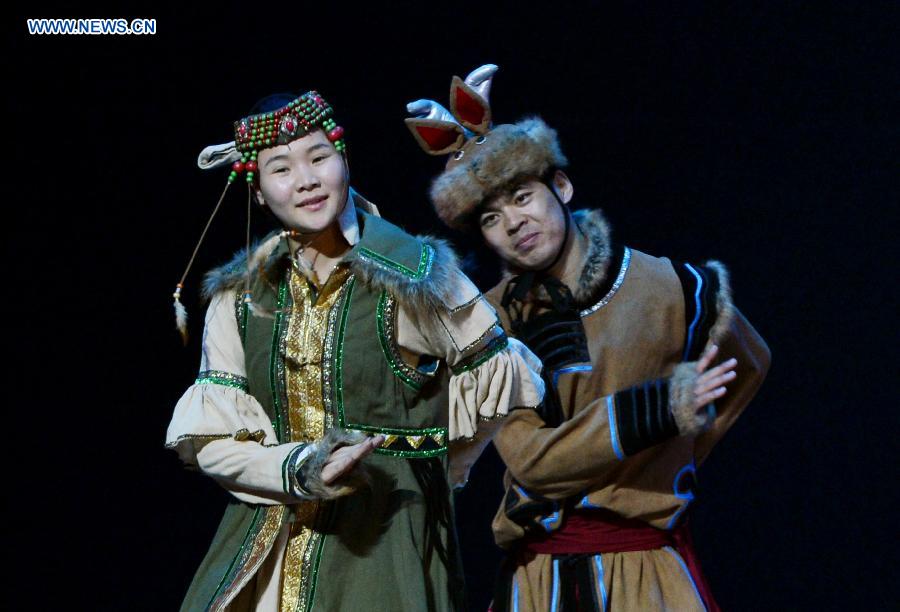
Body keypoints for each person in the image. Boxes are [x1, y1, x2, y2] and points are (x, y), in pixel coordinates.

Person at [406, 65, 771, 611]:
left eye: (523, 196)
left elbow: (748, 361)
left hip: (646, 570)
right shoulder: (487, 324)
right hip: (540, 578)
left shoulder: (666, 285)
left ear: (561, 186)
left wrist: (666, 461)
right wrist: (659, 411)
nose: (513, 222)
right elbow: (530, 460)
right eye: (490, 216)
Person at [166, 89, 545, 611]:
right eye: (281, 169)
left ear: (342, 158)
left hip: (383, 542)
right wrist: (295, 470)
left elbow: (503, 375)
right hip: (269, 542)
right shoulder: (239, 295)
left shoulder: (414, 271)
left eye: (319, 157)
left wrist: (439, 465)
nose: (306, 180)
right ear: (257, 190)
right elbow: (212, 440)